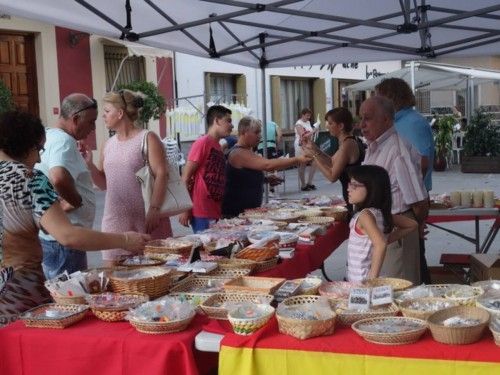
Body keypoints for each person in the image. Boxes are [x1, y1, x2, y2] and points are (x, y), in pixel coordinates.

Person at [0, 110, 149, 326]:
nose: (40, 158)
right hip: (19, 292)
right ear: (26, 145)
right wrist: (125, 240)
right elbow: (68, 236)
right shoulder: (29, 179)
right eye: (39, 149)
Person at [85, 89, 172, 267]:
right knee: (113, 279)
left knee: (154, 278)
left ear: (120, 113)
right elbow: (103, 184)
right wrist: (89, 165)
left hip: (147, 219)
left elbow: (162, 173)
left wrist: (155, 209)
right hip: (115, 221)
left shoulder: (147, 138)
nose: (103, 116)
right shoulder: (108, 144)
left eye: (107, 111)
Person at [360, 96, 429, 285]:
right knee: (382, 292)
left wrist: (417, 223)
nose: (362, 125)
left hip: (397, 231)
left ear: (386, 119)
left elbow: (419, 201)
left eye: (368, 118)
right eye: (361, 119)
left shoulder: (397, 151)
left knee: (399, 290)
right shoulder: (373, 148)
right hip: (379, 230)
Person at [375, 78, 434, 283]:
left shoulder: (410, 122)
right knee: (410, 268)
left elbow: (422, 162)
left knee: (408, 273)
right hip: (404, 204)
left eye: (378, 96)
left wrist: (417, 215)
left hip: (407, 204)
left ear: (391, 98)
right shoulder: (400, 122)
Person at [35, 93, 97, 279]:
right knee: (71, 298)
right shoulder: (64, 141)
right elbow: (59, 177)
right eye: (91, 122)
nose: (93, 128)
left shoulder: (50, 136)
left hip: (56, 239)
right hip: (66, 242)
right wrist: (75, 201)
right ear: (76, 119)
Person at [221, 116, 311, 218]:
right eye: (256, 132)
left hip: (247, 212)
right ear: (244, 132)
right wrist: (297, 159)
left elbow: (243, 178)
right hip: (235, 214)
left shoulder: (246, 151)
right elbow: (268, 165)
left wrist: (265, 179)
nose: (260, 136)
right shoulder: (238, 153)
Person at [346, 165, 417, 282]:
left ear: (372, 188)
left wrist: (371, 280)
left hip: (361, 282)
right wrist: (385, 238)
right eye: (349, 184)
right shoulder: (379, 214)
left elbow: (381, 244)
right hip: (362, 281)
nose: (348, 189)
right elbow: (412, 224)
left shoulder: (365, 215)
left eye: (354, 185)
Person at [179, 105, 233, 233]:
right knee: (205, 250)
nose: (232, 126)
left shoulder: (218, 146)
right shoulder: (202, 143)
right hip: (201, 210)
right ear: (217, 121)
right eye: (228, 121)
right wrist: (185, 209)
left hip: (214, 210)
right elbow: (185, 177)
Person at [301, 108, 365, 214]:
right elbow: (331, 162)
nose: (327, 126)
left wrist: (314, 156)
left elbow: (332, 176)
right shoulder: (348, 142)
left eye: (330, 123)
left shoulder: (347, 145)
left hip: (355, 199)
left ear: (340, 126)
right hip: (352, 196)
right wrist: (314, 148)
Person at [294, 108, 319, 191]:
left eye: (309, 115)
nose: (308, 117)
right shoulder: (298, 124)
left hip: (308, 145)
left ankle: (309, 182)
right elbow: (303, 135)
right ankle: (303, 184)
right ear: (303, 115)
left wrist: (314, 128)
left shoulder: (308, 122)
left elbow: (309, 133)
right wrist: (314, 130)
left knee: (314, 162)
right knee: (303, 163)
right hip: (301, 145)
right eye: (307, 115)